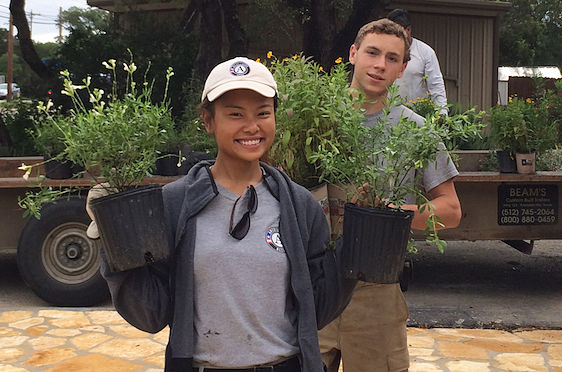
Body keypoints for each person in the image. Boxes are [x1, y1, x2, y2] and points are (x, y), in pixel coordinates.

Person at [86, 57, 356, 372]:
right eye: (235, 114)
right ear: (208, 121)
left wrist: (355, 251)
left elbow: (317, 307)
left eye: (263, 113)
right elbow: (151, 313)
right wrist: (114, 243)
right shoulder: (174, 204)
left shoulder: (298, 205)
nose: (252, 126)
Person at [317, 19, 462, 372]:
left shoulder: (416, 129)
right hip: (313, 284)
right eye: (372, 52)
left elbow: (452, 210)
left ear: (402, 69)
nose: (380, 64)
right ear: (353, 54)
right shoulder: (313, 119)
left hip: (376, 294)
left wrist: (395, 212)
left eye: (392, 58)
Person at [387, 9, 449, 115]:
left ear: (408, 30)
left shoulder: (425, 52)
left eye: (398, 33)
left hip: (415, 115)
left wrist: (442, 111)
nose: (394, 37)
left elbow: (436, 84)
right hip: (385, 113)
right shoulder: (383, 51)